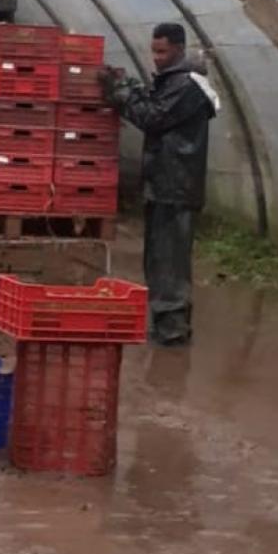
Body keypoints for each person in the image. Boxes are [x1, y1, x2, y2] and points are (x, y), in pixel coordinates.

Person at [99, 23, 219, 346]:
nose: (156, 58)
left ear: (179, 49)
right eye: (153, 51)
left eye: (162, 52)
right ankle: (166, 325)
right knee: (158, 259)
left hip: (176, 187)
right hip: (164, 184)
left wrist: (122, 94)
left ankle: (173, 331)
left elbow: (153, 117)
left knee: (170, 262)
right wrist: (129, 87)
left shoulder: (187, 86)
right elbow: (154, 107)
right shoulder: (173, 82)